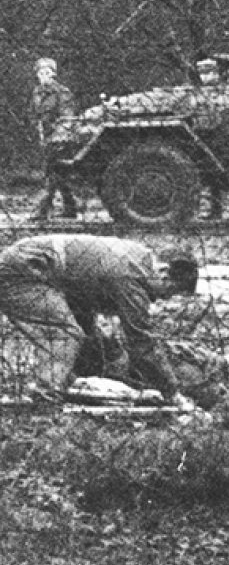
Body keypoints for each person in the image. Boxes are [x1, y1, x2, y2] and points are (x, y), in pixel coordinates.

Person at [0, 234, 199, 399]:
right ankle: (44, 398)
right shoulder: (130, 275)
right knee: (64, 333)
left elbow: (82, 306)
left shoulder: (138, 257)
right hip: (25, 272)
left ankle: (64, 384)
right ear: (164, 272)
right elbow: (141, 340)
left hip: (33, 265)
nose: (161, 299)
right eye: (169, 291)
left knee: (80, 333)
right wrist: (171, 391)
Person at [28, 58, 79, 220]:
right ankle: (71, 209)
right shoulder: (36, 93)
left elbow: (67, 117)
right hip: (45, 138)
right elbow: (32, 114)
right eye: (41, 73)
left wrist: (59, 137)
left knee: (51, 174)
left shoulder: (62, 92)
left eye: (47, 73)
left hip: (60, 140)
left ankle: (42, 211)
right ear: (37, 75)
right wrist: (37, 128)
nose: (44, 76)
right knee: (60, 176)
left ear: (53, 75)